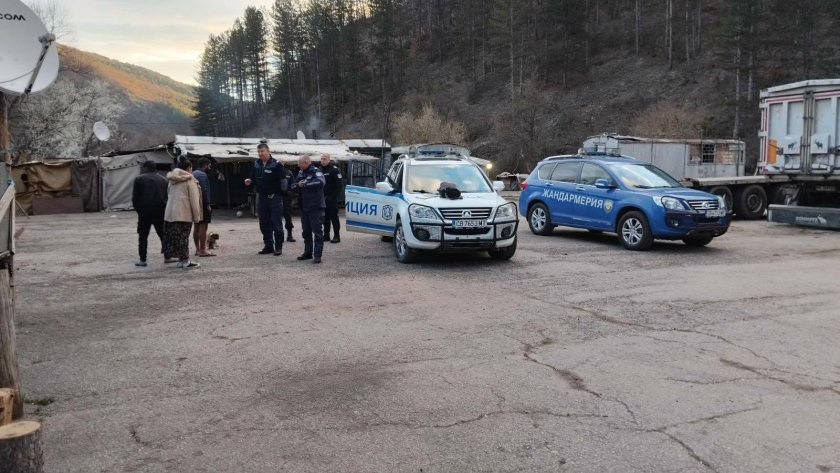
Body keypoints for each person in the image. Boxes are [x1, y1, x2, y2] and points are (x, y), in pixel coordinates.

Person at [245, 143, 287, 256]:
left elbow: (283, 181)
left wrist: (282, 194)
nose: (260, 154)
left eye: (262, 151)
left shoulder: (276, 164)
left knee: (276, 223)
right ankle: (268, 246)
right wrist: (249, 181)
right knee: (264, 223)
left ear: (268, 151)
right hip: (262, 197)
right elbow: (252, 178)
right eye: (259, 152)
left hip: (274, 198)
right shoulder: (256, 164)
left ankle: (279, 247)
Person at [164, 159, 202, 269]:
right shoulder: (190, 180)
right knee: (184, 237)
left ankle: (181, 260)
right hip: (184, 213)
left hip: (170, 213)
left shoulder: (171, 179)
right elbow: (194, 200)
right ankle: (185, 261)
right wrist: (197, 217)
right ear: (189, 168)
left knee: (177, 237)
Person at [132, 160, 169, 267]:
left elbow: (135, 198)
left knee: (143, 236)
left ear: (146, 167)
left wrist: (139, 210)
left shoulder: (139, 179)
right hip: (160, 211)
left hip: (144, 212)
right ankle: (167, 256)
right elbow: (167, 197)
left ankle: (143, 260)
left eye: (143, 167)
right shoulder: (163, 180)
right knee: (163, 235)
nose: (142, 169)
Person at [293, 155, 326, 263]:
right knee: (306, 232)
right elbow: (293, 186)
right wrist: (298, 184)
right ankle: (308, 253)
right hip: (304, 207)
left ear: (306, 162)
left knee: (317, 232)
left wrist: (306, 184)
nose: (298, 165)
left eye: (299, 163)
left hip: (316, 207)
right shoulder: (301, 173)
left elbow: (321, 182)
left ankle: (317, 255)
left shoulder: (316, 171)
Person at [192, 158, 215, 257]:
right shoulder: (202, 175)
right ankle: (203, 250)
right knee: (203, 226)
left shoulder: (193, 173)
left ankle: (197, 249)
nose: (210, 167)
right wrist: (207, 204)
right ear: (205, 165)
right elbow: (204, 190)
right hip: (202, 204)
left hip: (194, 203)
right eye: (209, 165)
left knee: (196, 226)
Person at [320, 153, 343, 243]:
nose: (323, 161)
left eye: (325, 159)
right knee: (324, 218)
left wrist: (333, 197)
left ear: (329, 160)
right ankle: (326, 235)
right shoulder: (319, 170)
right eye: (321, 159)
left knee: (334, 217)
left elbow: (339, 186)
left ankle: (337, 236)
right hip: (322, 198)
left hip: (331, 198)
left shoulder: (334, 170)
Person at [282, 164, 296, 243]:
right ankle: (274, 236)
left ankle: (289, 235)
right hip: (276, 197)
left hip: (286, 198)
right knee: (274, 217)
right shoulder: (274, 171)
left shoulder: (288, 173)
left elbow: (293, 184)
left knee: (288, 216)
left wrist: (291, 193)